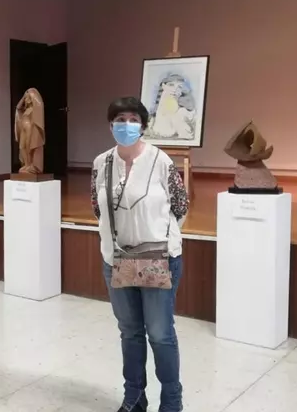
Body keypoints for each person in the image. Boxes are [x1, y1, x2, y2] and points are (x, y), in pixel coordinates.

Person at [90, 97, 189, 412]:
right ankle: (134, 397)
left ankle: (171, 402)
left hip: (158, 258)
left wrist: (154, 234)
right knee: (130, 332)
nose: (126, 125)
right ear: (110, 125)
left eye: (133, 119)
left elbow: (181, 206)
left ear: (143, 125)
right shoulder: (101, 163)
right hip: (117, 259)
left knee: (160, 334)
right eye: (120, 119)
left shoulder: (160, 160)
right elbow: (98, 208)